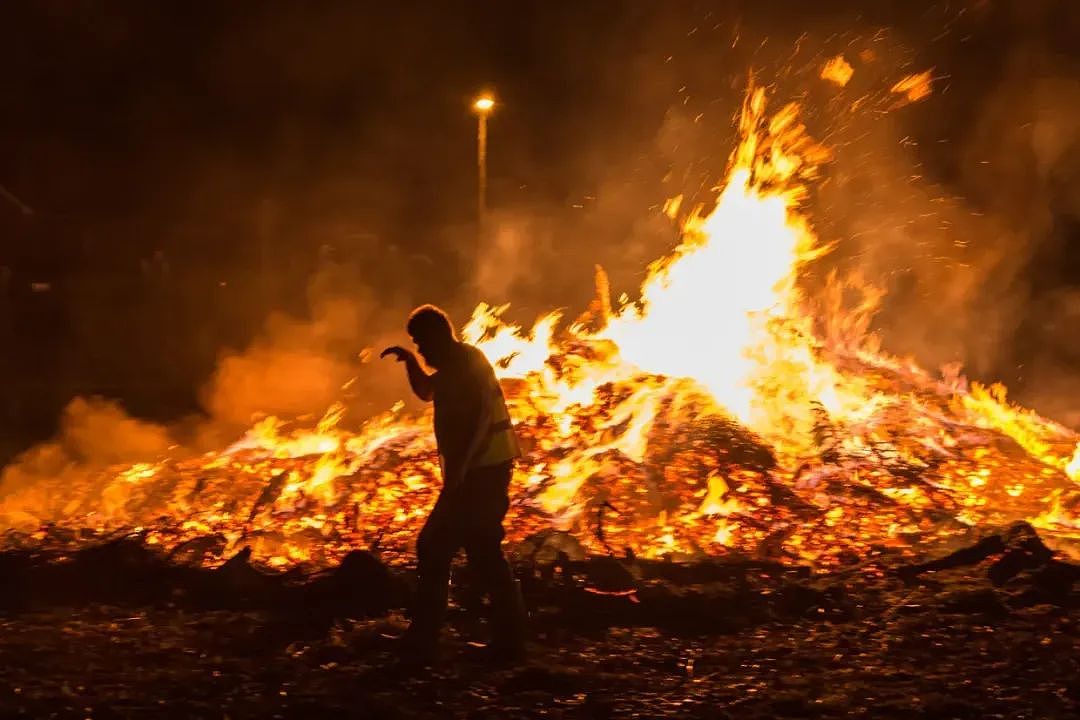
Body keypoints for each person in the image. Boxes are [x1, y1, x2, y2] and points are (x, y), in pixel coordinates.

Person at [381, 304, 527, 662]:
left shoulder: (464, 364)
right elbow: (427, 392)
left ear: (439, 335)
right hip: (477, 473)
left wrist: (461, 468)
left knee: (435, 546)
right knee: (478, 552)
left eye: (421, 344)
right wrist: (410, 364)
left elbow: (478, 419)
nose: (422, 350)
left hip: (483, 474)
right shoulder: (451, 367)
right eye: (416, 345)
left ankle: (427, 638)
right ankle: (508, 639)